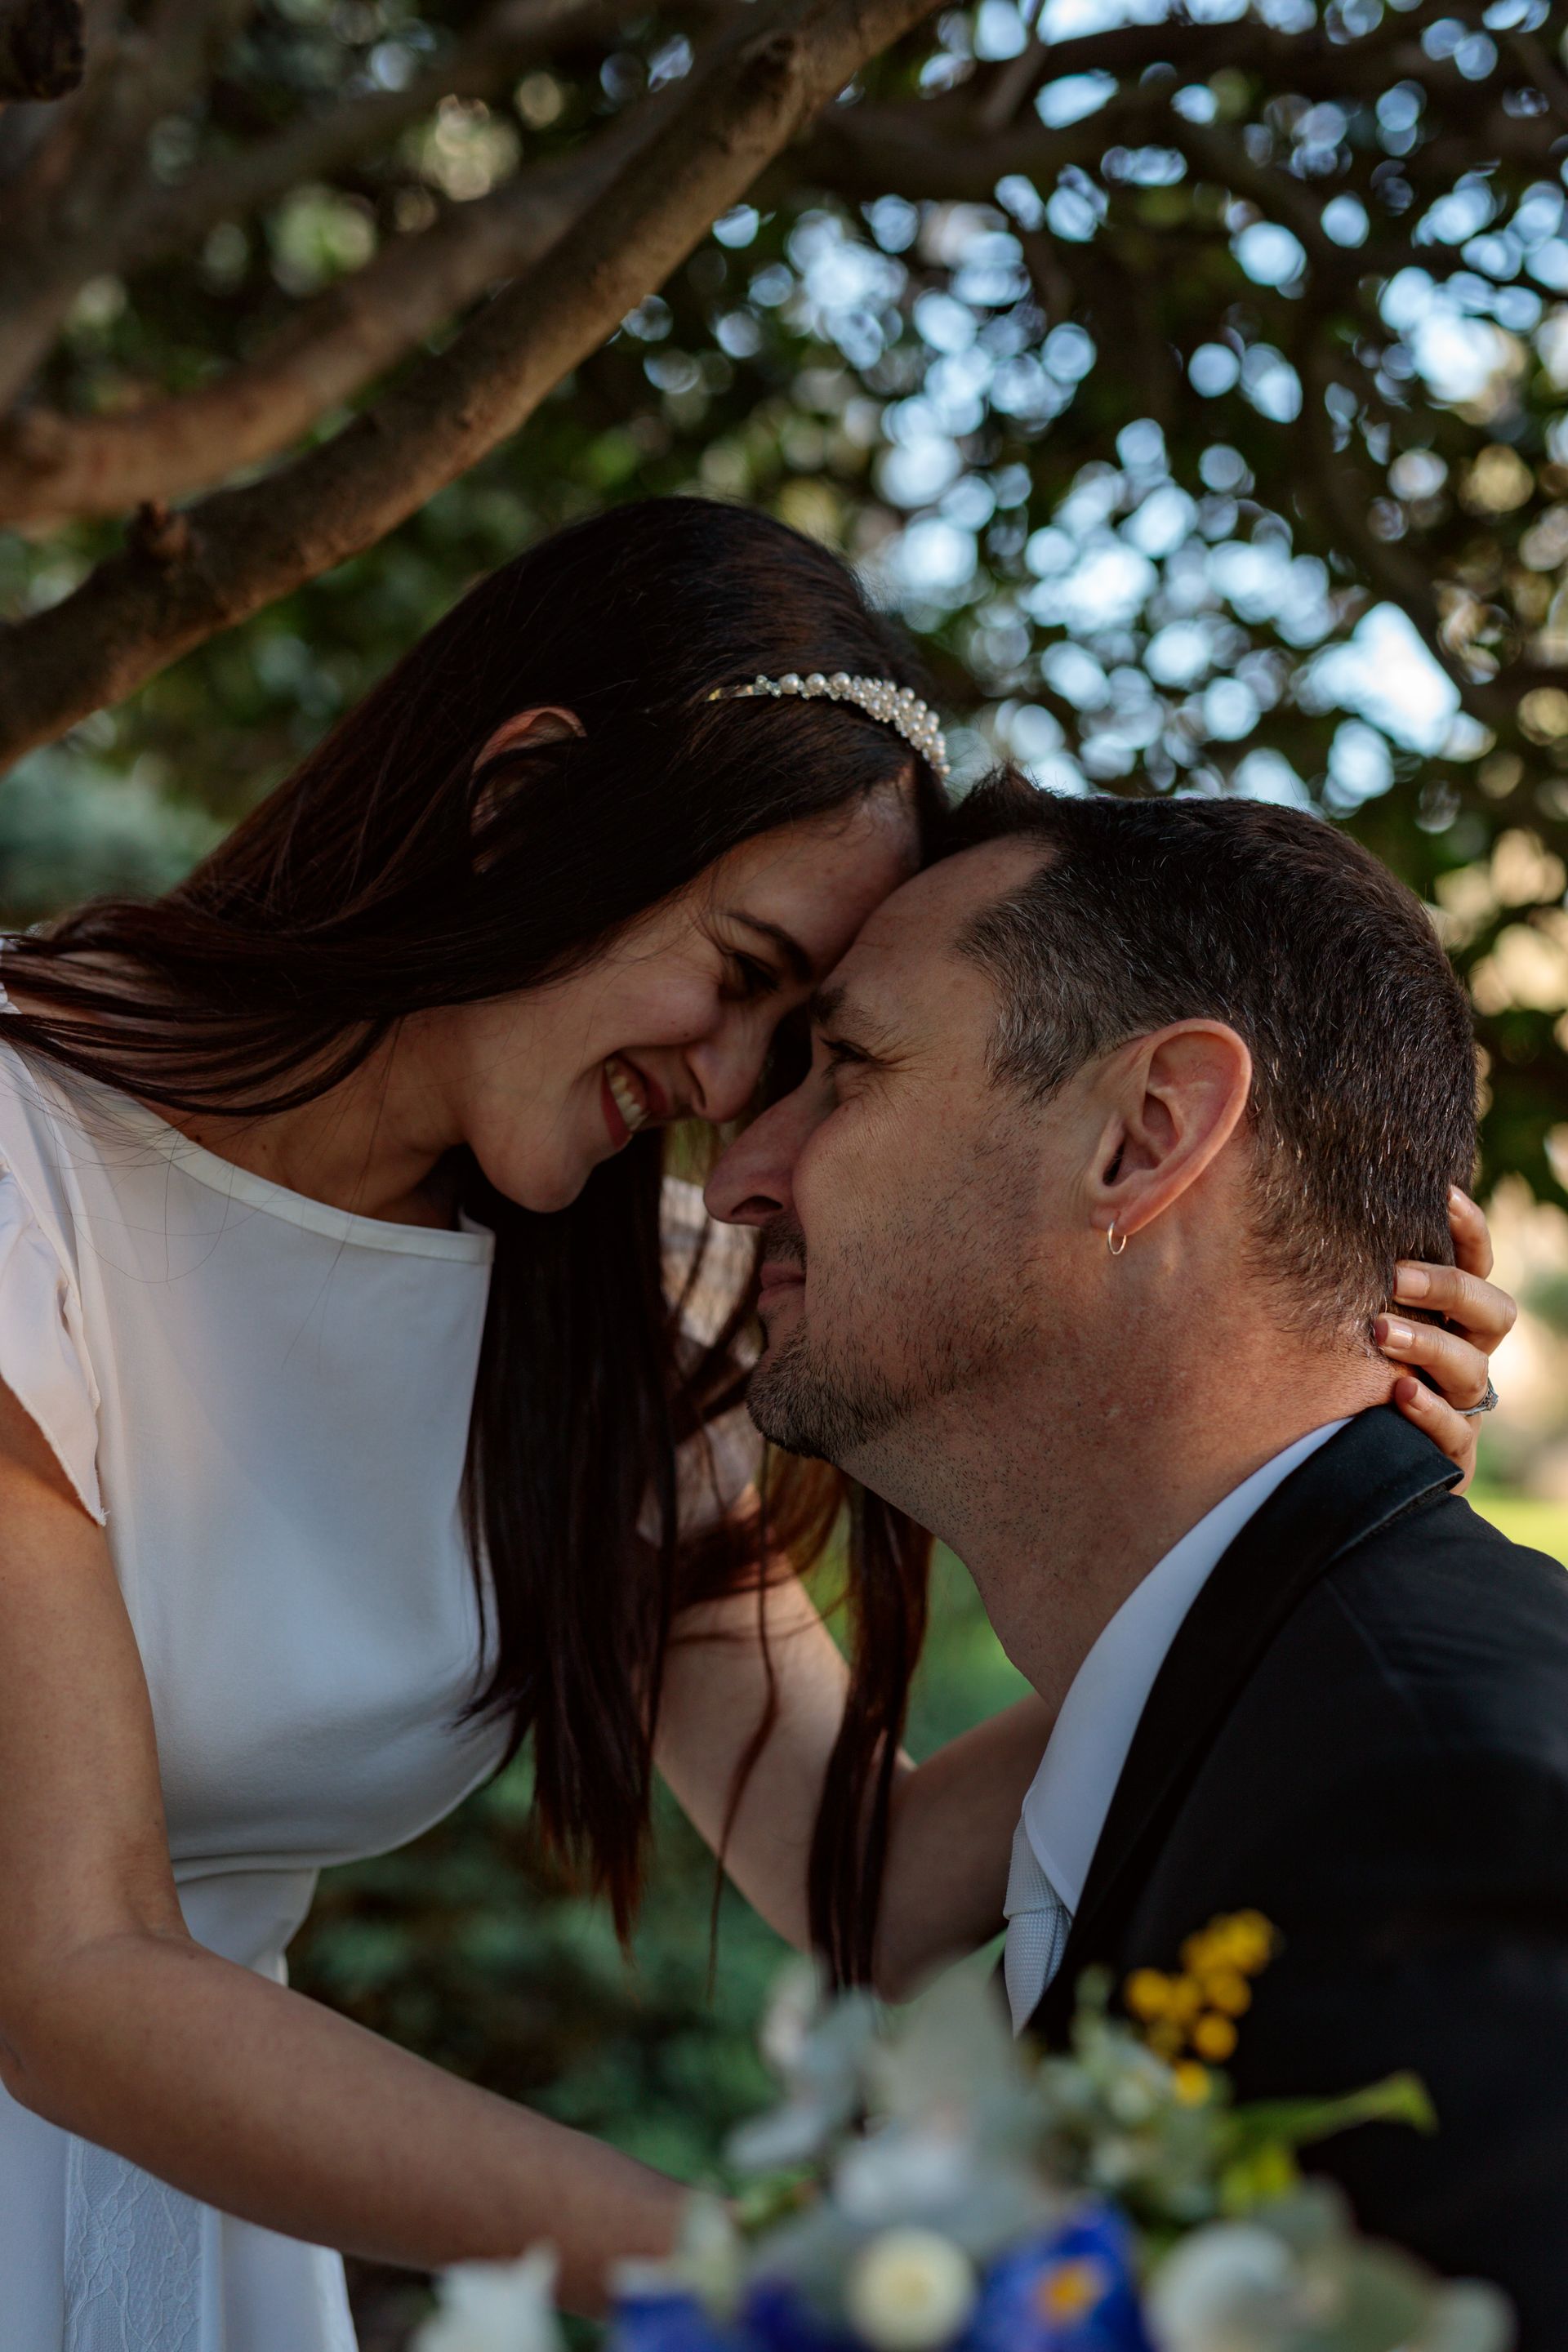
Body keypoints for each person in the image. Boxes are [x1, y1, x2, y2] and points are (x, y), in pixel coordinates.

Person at [0, 494, 1499, 2352]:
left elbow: (852, 1872)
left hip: (209, 2231)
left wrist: (1289, 1519)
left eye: (805, 1051)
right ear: (524, 802)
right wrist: (788, 2282)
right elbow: (66, 1969)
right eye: (739, 977)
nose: (726, 1097)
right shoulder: (23, 1165)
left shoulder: (602, 1310)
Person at [706, 778, 1561, 2337]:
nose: (734, 1175)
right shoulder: (1274, 1697)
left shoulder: (1442, 1815)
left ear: (1147, 1136)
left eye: (843, 1068)